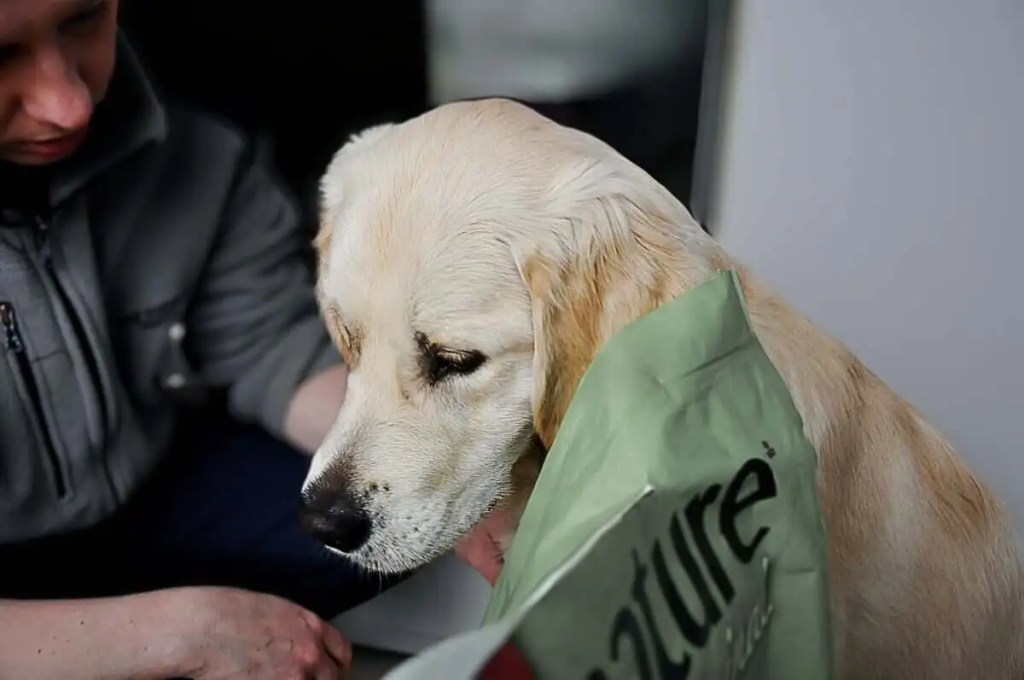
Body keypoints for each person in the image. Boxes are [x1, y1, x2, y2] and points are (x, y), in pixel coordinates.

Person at [0, 1, 397, 677]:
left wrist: (433, 479)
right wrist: (179, 633)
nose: (69, 104)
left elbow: (272, 343)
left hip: (150, 487)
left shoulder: (190, 141)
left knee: (396, 535)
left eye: (83, 21)